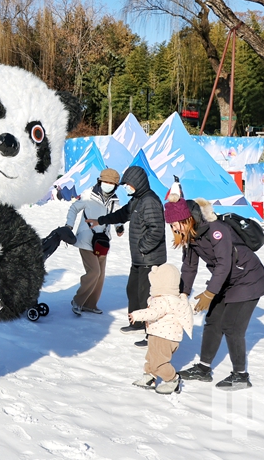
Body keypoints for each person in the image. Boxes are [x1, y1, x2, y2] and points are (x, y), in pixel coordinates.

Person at [166, 196, 264, 390]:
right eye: (171, 226)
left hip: (247, 280)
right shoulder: (192, 236)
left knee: (232, 328)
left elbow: (224, 263)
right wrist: (183, 294)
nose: (174, 229)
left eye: (176, 224)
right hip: (225, 281)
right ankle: (203, 369)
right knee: (213, 322)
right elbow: (189, 267)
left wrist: (209, 293)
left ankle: (241, 375)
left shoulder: (217, 230)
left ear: (188, 219)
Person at [90, 165, 166, 347]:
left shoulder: (150, 201)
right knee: (133, 290)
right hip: (139, 258)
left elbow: (156, 230)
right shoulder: (137, 200)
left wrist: (142, 247)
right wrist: (100, 220)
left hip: (150, 258)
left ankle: (152, 333)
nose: (126, 187)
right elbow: (122, 214)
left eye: (128, 184)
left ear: (137, 183)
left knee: (148, 297)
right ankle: (138, 322)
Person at [63, 168, 125, 315]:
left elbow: (116, 216)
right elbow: (73, 208)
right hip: (86, 239)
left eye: (112, 183)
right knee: (94, 272)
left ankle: (90, 304)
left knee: (101, 274)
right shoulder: (88, 195)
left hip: (102, 241)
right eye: (106, 182)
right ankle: (77, 301)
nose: (108, 185)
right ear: (100, 181)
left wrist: (119, 227)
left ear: (116, 185)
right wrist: (69, 225)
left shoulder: (114, 200)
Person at [130, 263, 194, 395]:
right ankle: (149, 377)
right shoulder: (176, 299)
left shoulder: (161, 300)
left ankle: (172, 380)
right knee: (152, 357)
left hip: (162, 336)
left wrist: (137, 315)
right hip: (166, 336)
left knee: (159, 362)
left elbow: (154, 313)